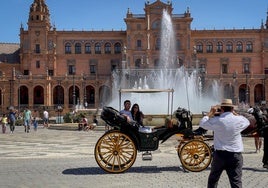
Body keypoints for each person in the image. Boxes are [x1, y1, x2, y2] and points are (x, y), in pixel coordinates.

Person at [200, 99, 250, 188]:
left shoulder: (217, 120)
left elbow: (203, 124)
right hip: (235, 155)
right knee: (236, 181)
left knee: (213, 180)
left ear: (222, 109)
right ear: (232, 109)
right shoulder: (239, 120)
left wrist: (210, 113)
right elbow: (247, 121)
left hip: (219, 155)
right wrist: (235, 113)